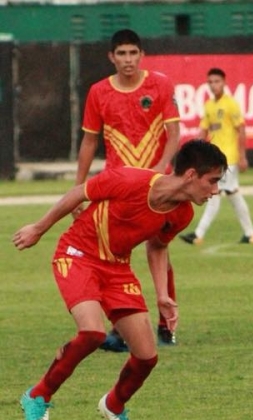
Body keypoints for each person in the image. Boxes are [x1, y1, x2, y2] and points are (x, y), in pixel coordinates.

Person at [14, 140, 227, 420]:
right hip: (78, 255)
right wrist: (39, 228)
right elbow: (79, 193)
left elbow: (157, 247)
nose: (216, 190)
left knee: (147, 357)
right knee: (92, 333)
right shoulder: (129, 180)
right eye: (213, 181)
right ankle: (38, 395)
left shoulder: (182, 214)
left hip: (117, 269)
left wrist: (162, 295)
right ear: (191, 175)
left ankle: (114, 404)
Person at [76, 28, 182, 352]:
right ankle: (121, 329)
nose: (128, 59)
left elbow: (174, 134)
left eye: (133, 53)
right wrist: (80, 186)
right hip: (118, 188)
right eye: (121, 53)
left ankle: (166, 323)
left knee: (158, 246)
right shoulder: (99, 92)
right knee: (112, 256)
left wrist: (160, 168)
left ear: (142, 55)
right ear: (112, 57)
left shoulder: (160, 84)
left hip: (155, 187)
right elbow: (90, 141)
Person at [180, 67, 253, 245]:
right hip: (215, 159)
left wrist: (242, 156)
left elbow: (241, 130)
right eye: (210, 82)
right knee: (233, 194)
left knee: (214, 194)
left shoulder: (231, 104)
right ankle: (251, 234)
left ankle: (198, 234)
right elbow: (203, 130)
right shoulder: (209, 105)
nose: (213, 85)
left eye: (217, 81)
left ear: (224, 83)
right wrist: (196, 152)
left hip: (229, 159)